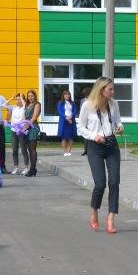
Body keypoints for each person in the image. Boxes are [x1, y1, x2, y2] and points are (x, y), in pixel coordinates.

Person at [77, 76, 124, 234]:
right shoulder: (88, 106)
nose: (113, 91)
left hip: (111, 144)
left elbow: (118, 121)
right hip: (95, 146)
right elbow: (81, 128)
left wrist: (120, 127)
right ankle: (94, 211)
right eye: (110, 89)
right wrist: (94, 136)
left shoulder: (114, 104)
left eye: (112, 88)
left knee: (114, 181)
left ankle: (111, 217)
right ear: (101, 90)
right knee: (100, 183)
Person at [20, 89, 42, 176]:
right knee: (29, 149)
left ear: (35, 96)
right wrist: (22, 125)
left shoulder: (37, 104)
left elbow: (34, 117)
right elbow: (25, 117)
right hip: (26, 128)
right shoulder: (27, 105)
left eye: (32, 96)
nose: (30, 97)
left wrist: (27, 125)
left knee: (33, 149)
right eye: (29, 96)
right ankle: (32, 168)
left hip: (33, 127)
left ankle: (32, 169)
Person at [56, 88, 78, 156]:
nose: (67, 96)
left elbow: (75, 110)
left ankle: (69, 151)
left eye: (68, 94)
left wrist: (71, 116)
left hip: (71, 121)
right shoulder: (60, 103)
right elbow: (60, 112)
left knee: (71, 137)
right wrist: (67, 118)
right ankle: (65, 151)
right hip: (64, 121)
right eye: (65, 94)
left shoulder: (72, 103)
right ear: (63, 95)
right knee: (64, 137)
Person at [8, 92, 26, 170]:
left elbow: (25, 105)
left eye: (19, 99)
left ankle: (26, 167)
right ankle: (16, 168)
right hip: (13, 131)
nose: (18, 101)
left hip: (21, 131)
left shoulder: (24, 108)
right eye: (17, 99)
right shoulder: (13, 107)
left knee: (23, 150)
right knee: (14, 150)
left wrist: (22, 98)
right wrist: (12, 98)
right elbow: (3, 105)